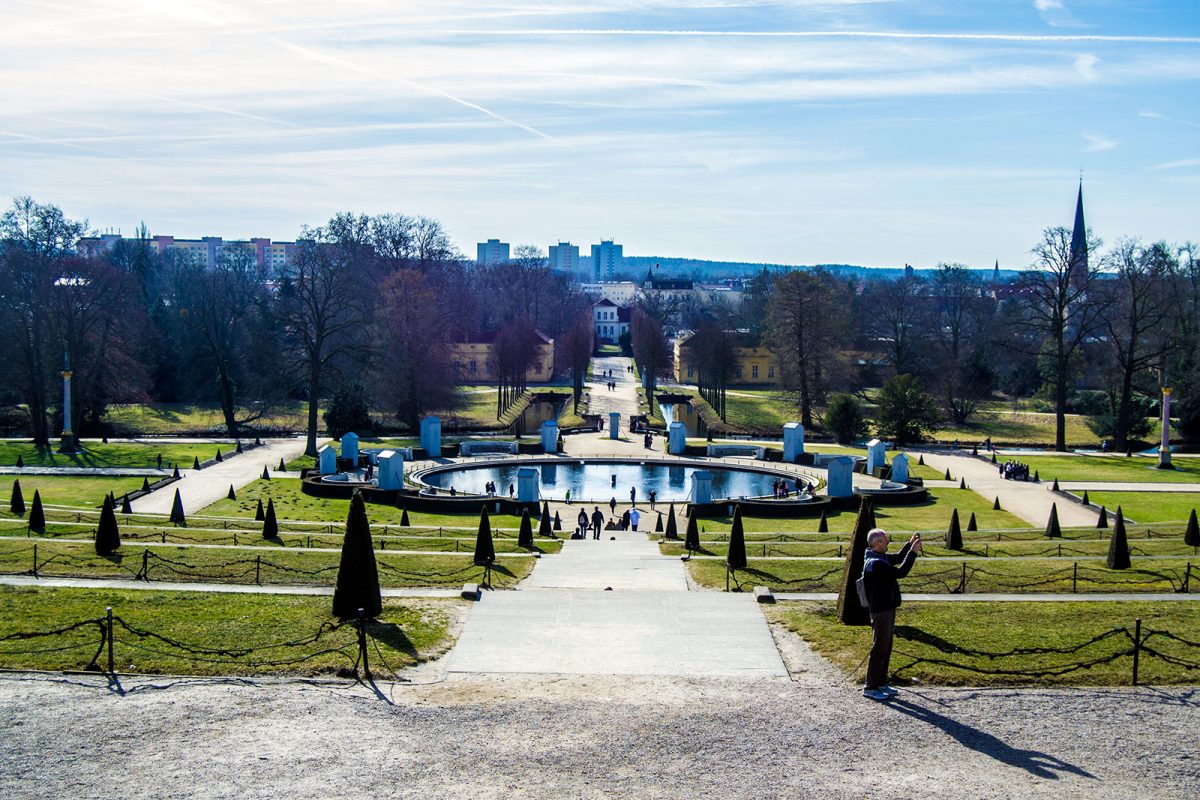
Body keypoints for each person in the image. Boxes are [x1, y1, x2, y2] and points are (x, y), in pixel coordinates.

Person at [861, 528, 921, 701]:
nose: (888, 542)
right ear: (878, 543)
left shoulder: (878, 557)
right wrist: (914, 553)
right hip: (881, 611)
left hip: (887, 608)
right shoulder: (876, 563)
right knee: (879, 648)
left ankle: (881, 682)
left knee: (886, 647)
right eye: (885, 540)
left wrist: (909, 545)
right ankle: (870, 686)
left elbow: (897, 558)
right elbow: (901, 572)